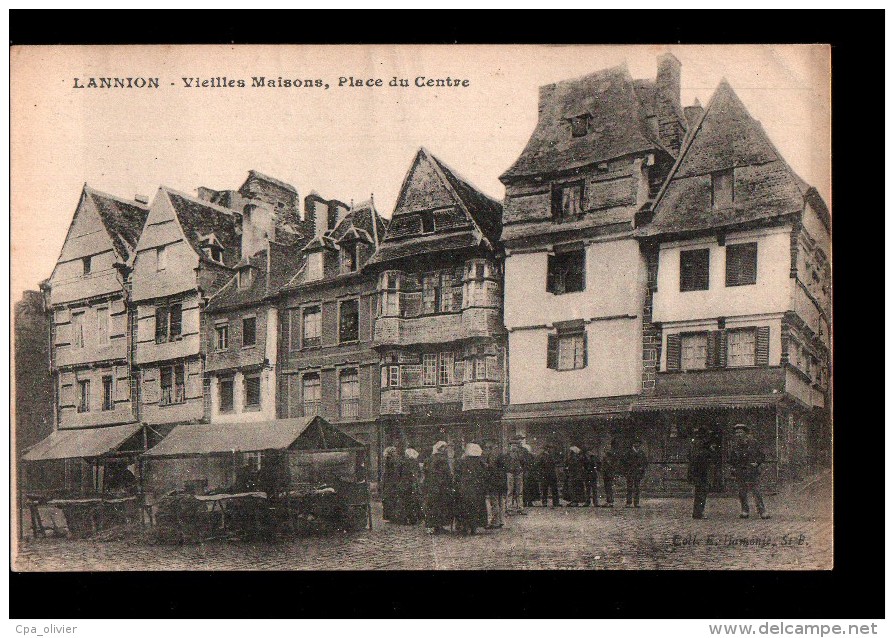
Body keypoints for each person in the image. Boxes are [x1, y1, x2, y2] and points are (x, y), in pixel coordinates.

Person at [729, 424, 770, 519]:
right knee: (742, 491)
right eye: (736, 433)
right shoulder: (734, 446)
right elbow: (732, 458)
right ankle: (744, 510)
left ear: (745, 433)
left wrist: (757, 463)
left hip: (752, 470)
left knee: (756, 491)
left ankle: (762, 511)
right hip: (740, 470)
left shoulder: (753, 443)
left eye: (740, 432)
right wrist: (733, 467)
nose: (738, 435)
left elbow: (762, 455)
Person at [454, 443, 489, 535]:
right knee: (476, 507)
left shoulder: (461, 461)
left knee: (465, 507)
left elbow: (457, 475)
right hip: (477, 488)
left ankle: (465, 526)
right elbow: (485, 475)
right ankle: (474, 527)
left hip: (465, 488)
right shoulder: (481, 462)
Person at [422, 441, 455, 534]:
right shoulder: (442, 459)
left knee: (432, 505)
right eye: (443, 448)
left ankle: (432, 526)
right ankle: (438, 526)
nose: (444, 449)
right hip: (441, 486)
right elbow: (447, 474)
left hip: (430, 485)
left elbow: (425, 471)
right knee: (440, 505)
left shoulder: (428, 459)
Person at [688, 428, 712, 520]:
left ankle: (697, 512)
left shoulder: (694, 444)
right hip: (701, 472)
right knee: (701, 493)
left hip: (696, 472)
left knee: (699, 493)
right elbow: (702, 458)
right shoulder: (701, 446)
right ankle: (699, 513)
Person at [394, 448, 422, 525]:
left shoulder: (402, 462)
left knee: (404, 502)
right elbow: (418, 473)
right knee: (413, 502)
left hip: (404, 484)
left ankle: (403, 519)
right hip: (413, 484)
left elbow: (398, 474)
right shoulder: (415, 462)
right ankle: (413, 519)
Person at [483, 442, 506, 529]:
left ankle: (495, 521)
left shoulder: (493, 455)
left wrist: (485, 465)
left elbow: (491, 467)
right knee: (500, 501)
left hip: (494, 481)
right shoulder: (501, 454)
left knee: (494, 501)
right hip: (501, 481)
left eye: (487, 448)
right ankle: (501, 520)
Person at [506, 437, 528, 515]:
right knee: (510, 491)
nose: (514, 446)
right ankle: (509, 509)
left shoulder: (520, 454)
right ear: (510, 446)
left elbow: (524, 462)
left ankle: (520, 508)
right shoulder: (507, 454)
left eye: (516, 445)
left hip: (518, 473)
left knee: (519, 492)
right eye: (512, 445)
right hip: (510, 473)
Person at [624, 439, 648, 508]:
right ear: (633, 444)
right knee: (629, 487)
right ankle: (628, 502)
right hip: (630, 472)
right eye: (635, 443)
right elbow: (624, 462)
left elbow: (645, 462)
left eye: (638, 443)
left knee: (637, 488)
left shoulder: (641, 453)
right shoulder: (628, 453)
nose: (637, 445)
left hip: (638, 473)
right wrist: (627, 470)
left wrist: (642, 468)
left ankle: (636, 503)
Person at [381, 446, 399, 522]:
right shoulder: (391, 461)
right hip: (390, 481)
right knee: (390, 498)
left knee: (388, 499)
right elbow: (393, 472)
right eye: (394, 451)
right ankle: (391, 516)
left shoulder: (387, 460)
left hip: (388, 481)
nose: (396, 453)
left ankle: (388, 516)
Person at [600, 440, 620, 507]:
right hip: (607, 473)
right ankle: (609, 501)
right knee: (607, 487)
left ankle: (610, 501)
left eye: (607, 449)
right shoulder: (607, 457)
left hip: (609, 473)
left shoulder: (610, 457)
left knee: (609, 487)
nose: (605, 451)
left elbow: (611, 465)